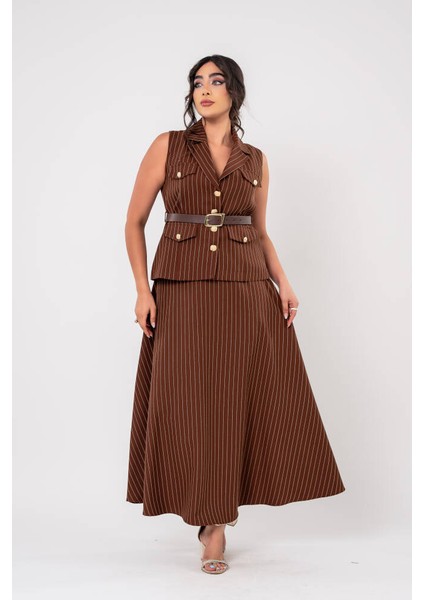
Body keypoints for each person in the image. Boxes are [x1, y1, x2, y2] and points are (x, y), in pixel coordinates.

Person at [124, 54, 346, 575]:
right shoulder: (168, 146)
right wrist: (141, 291)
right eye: (197, 82)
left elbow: (259, 231)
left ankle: (218, 523)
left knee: (233, 402)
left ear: (234, 92)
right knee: (189, 403)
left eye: (216, 81)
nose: (204, 89)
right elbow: (134, 222)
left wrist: (283, 283)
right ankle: (203, 510)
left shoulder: (256, 159)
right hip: (181, 291)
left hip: (246, 292)